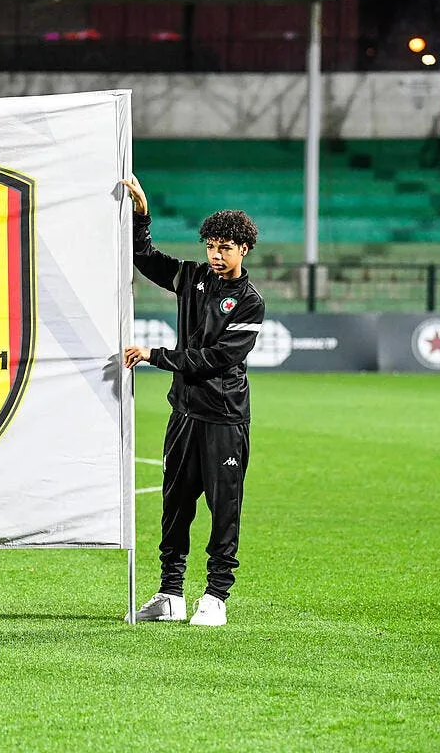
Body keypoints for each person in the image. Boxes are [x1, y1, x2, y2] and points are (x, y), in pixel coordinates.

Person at [120, 175, 265, 627]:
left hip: (223, 418)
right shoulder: (192, 277)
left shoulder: (250, 303)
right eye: (211, 246)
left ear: (244, 249)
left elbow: (217, 359)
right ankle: (169, 593)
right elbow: (146, 258)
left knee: (224, 507)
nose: (216, 255)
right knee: (175, 504)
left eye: (225, 247)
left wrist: (156, 355)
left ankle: (216, 596)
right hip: (183, 414)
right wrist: (142, 215)